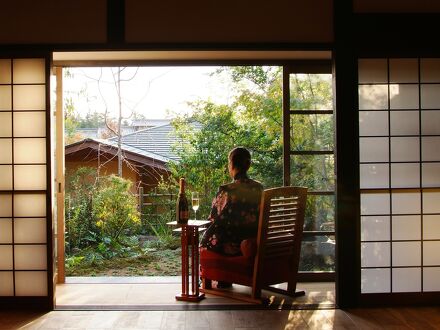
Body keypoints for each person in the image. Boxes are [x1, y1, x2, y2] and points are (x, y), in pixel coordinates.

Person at [200, 147, 264, 258]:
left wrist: (204, 234)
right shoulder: (259, 187)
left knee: (207, 241)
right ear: (248, 166)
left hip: (232, 246)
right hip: (254, 244)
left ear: (231, 164)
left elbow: (213, 219)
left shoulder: (227, 190)